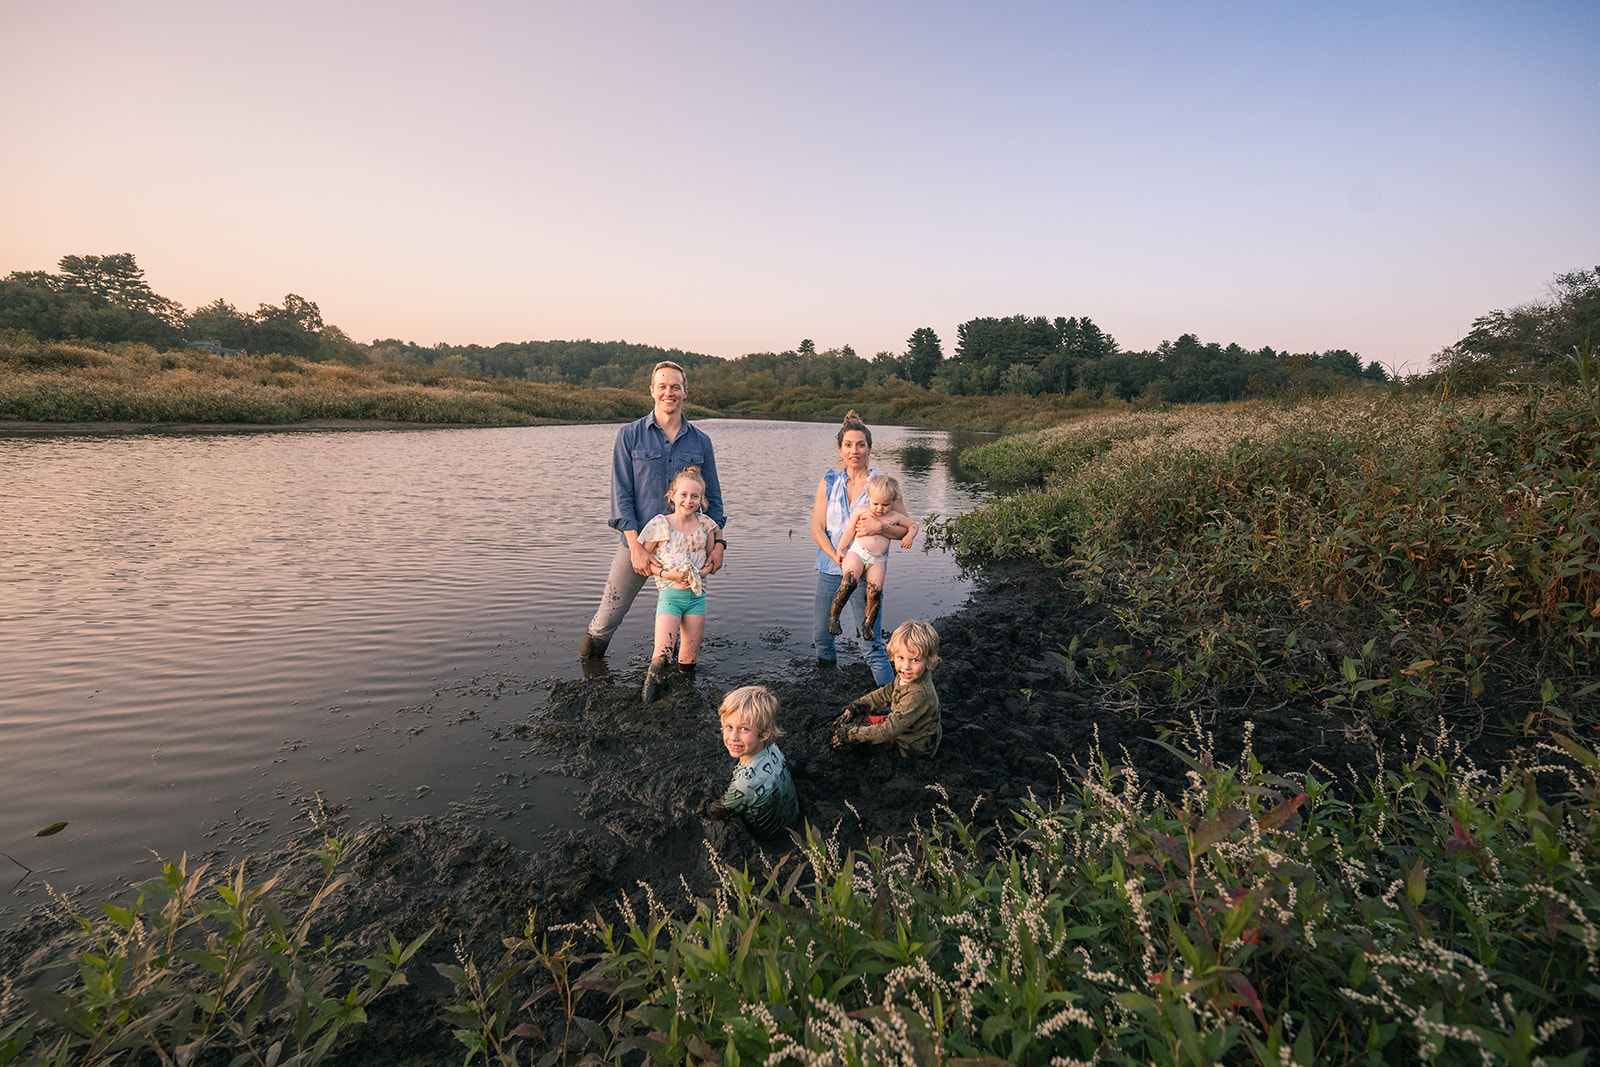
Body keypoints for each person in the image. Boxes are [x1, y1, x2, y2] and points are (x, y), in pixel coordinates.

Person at [580, 361, 726, 662]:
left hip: (689, 549)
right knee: (608, 616)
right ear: (652, 391)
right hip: (639, 545)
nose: (668, 392)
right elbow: (621, 496)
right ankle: (589, 672)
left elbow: (714, 499)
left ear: (684, 392)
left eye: (675, 386)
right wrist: (635, 547)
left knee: (686, 624)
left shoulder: (701, 441)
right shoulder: (629, 435)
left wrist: (720, 544)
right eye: (662, 386)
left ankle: (677, 685)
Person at [811, 411, 908, 685]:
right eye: (849, 444)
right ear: (840, 448)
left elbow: (903, 528)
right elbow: (818, 529)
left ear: (869, 448)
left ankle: (891, 701)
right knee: (821, 635)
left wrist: (879, 528)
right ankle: (828, 687)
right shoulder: (829, 482)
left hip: (868, 570)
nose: (855, 450)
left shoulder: (884, 484)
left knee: (870, 643)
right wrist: (836, 556)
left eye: (861, 444)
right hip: (831, 567)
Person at [636, 466, 719, 703]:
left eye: (695, 496)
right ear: (672, 495)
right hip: (670, 596)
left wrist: (703, 571)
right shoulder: (659, 525)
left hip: (696, 597)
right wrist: (666, 574)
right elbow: (644, 561)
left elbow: (711, 558)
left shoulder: (706, 525)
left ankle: (684, 700)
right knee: (662, 655)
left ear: (701, 499)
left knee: (689, 661)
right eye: (683, 495)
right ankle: (647, 702)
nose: (689, 500)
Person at [827, 473, 918, 642]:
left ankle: (868, 625)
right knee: (849, 581)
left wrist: (909, 537)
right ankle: (834, 617)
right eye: (875, 503)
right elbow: (849, 531)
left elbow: (913, 525)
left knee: (875, 591)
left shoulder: (894, 517)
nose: (879, 508)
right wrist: (840, 549)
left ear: (892, 502)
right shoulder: (862, 510)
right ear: (868, 497)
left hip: (878, 559)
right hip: (857, 552)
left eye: (885, 504)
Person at [832, 620, 942, 758]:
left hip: (911, 748)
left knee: (856, 745)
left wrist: (850, 735)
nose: (906, 666)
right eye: (901, 658)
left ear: (929, 661)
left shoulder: (917, 694)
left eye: (915, 660)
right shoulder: (908, 676)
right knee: (863, 719)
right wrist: (856, 706)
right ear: (893, 656)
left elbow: (889, 730)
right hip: (905, 728)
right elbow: (885, 693)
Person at [705, 685, 799, 839]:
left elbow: (718, 810)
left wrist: (705, 808)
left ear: (764, 734)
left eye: (744, 729)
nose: (734, 737)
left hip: (770, 836)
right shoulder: (773, 748)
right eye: (729, 727)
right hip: (792, 816)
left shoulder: (746, 783)